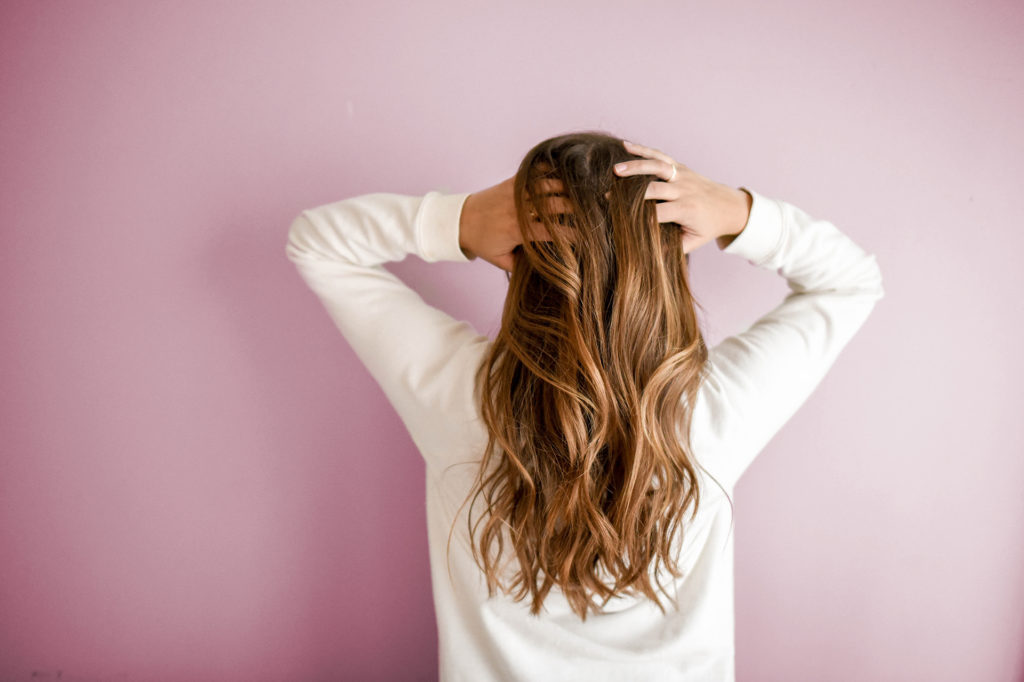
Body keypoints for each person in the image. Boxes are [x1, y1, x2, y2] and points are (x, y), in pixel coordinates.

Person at [284, 131, 885, 681]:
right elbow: (852, 280)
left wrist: (460, 220)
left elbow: (317, 243)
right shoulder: (710, 414)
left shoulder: (462, 398)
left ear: (519, 256)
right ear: (669, 265)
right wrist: (737, 213)